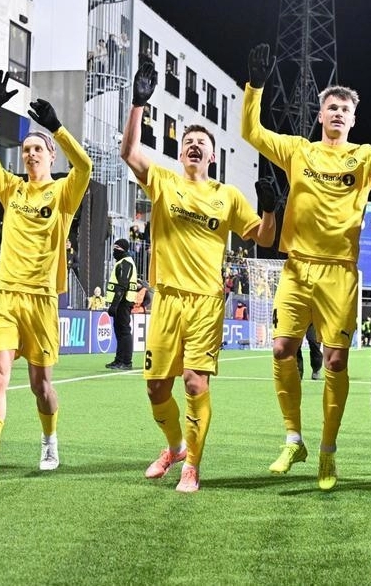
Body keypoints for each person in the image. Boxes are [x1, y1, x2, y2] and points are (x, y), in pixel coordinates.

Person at [243, 43, 371, 489]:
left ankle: (327, 450)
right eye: (332, 107)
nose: (338, 113)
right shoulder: (298, 150)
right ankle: (293, 438)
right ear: (320, 114)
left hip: (339, 271)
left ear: (353, 119)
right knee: (281, 350)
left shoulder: (363, 156)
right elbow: (251, 131)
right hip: (296, 268)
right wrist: (255, 87)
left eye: (345, 109)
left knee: (336, 359)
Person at [120, 60, 275, 492]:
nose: (193, 146)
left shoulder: (228, 196)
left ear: (212, 156)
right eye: (188, 141)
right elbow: (130, 153)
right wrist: (138, 104)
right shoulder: (164, 182)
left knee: (193, 382)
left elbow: (264, 237)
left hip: (205, 301)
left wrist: (270, 209)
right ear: (181, 152)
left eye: (201, 143)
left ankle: (192, 466)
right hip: (166, 299)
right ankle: (176, 447)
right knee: (156, 387)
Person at [0, 69, 91, 484]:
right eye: (26, 149)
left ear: (51, 156)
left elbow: (85, 166)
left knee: (41, 385)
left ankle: (49, 439)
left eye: (38, 149)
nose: (31, 154)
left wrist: (57, 127)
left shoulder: (63, 193)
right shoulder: (11, 189)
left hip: (41, 300)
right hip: (3, 295)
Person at [105, 238, 139, 370]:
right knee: (119, 330)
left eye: (117, 248)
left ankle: (126, 361)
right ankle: (119, 360)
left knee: (124, 331)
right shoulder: (123, 262)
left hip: (123, 301)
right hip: (122, 301)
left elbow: (122, 285)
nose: (114, 251)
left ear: (123, 249)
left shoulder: (126, 263)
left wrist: (114, 305)